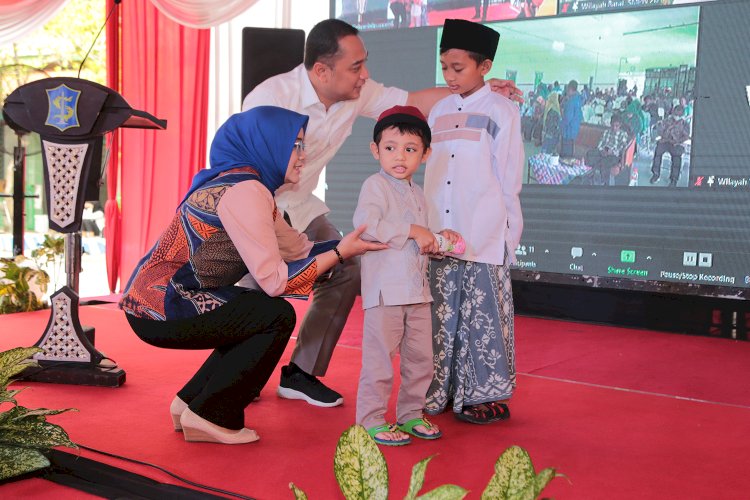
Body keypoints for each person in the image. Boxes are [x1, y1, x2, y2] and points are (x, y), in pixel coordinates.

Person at [241, 19, 522, 408]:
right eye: (356, 67)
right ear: (322, 70)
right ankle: (238, 375)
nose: (365, 75)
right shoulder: (270, 98)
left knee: (348, 268)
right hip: (257, 205)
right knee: (255, 285)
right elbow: (243, 170)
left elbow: (413, 99)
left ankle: (300, 373)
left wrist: (480, 91)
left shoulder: (357, 92)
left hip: (303, 209)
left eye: (364, 63)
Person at [119, 106, 385, 444]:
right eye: (295, 146)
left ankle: (190, 402)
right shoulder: (246, 192)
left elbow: (297, 248)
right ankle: (213, 414)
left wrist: (349, 245)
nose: (303, 156)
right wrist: (339, 253)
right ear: (268, 144)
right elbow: (275, 282)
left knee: (252, 311)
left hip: (156, 303)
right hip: (163, 306)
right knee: (273, 314)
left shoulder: (248, 185)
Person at [423, 19, 523, 424]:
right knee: (440, 317)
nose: (449, 76)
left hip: (482, 234)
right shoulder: (438, 111)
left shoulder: (502, 110)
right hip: (439, 237)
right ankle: (440, 391)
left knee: (482, 320)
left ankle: (482, 396)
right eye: (444, 66)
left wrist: (506, 238)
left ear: (484, 66)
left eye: (457, 68)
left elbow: (508, 180)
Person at [353, 106, 447, 446]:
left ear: (425, 155)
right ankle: (371, 420)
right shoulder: (374, 186)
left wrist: (437, 240)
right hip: (384, 293)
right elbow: (368, 227)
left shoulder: (419, 194)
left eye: (410, 149)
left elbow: (425, 236)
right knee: (379, 361)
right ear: (375, 150)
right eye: (391, 147)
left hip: (417, 292)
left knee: (421, 360)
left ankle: (410, 415)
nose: (400, 157)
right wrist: (413, 230)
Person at [650, 104, 690, 187]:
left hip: (676, 143)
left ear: (682, 115)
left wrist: (677, 141)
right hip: (666, 141)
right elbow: (660, 131)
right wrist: (661, 131)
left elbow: (686, 136)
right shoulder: (667, 120)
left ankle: (674, 179)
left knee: (677, 157)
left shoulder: (685, 124)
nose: (676, 116)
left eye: (678, 115)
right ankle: (656, 174)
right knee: (658, 151)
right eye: (675, 114)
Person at [584, 114, 631, 186]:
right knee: (590, 154)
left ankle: (604, 182)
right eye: (612, 125)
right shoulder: (607, 132)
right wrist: (602, 150)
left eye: (616, 126)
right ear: (610, 124)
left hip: (614, 155)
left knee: (605, 162)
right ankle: (589, 176)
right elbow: (600, 143)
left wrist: (612, 152)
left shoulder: (623, 134)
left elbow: (622, 149)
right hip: (603, 152)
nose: (614, 128)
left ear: (620, 125)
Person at [561, 79, 583, 157]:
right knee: (570, 151)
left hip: (568, 131)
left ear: (570, 89)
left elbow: (567, 118)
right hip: (574, 130)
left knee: (565, 155)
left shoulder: (571, 102)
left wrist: (561, 124)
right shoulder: (578, 100)